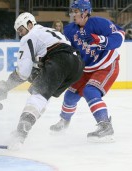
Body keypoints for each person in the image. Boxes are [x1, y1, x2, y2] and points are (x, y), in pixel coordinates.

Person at [0, 12, 84, 148]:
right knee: (43, 96)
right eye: (18, 32)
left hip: (60, 60)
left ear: (30, 24)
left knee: (38, 94)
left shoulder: (29, 36)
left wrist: (6, 86)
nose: (21, 34)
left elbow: (23, 72)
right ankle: (25, 127)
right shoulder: (48, 31)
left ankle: (20, 133)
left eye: (21, 30)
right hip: (76, 65)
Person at [50, 0, 125, 142]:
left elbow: (120, 36)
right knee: (70, 94)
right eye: (73, 11)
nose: (73, 14)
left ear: (85, 12)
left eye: (76, 11)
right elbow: (65, 50)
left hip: (106, 65)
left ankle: (105, 126)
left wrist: (101, 40)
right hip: (86, 69)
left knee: (90, 91)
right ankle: (64, 123)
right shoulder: (69, 30)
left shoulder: (99, 23)